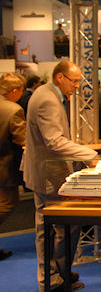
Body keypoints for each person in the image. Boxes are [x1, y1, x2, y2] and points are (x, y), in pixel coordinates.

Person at [21, 61, 97, 292]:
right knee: (60, 227)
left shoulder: (46, 93)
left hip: (46, 173)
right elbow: (54, 141)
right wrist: (89, 155)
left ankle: (57, 275)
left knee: (55, 228)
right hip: (49, 176)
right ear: (60, 77)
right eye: (74, 81)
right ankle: (54, 279)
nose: (77, 86)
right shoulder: (48, 99)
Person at [0, 73, 26, 261]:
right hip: (5, 167)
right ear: (15, 90)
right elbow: (22, 139)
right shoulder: (13, 110)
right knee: (7, 204)